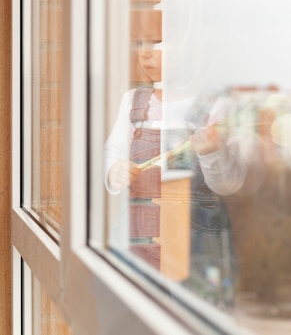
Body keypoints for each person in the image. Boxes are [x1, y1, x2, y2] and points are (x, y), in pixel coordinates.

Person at [104, 41, 255, 308]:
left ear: (192, 49)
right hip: (137, 233)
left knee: (194, 312)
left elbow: (230, 183)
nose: (145, 52)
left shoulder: (216, 106)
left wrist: (212, 151)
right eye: (140, 43)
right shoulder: (133, 102)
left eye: (159, 43)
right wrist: (114, 169)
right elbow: (114, 150)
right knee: (132, 308)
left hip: (195, 244)